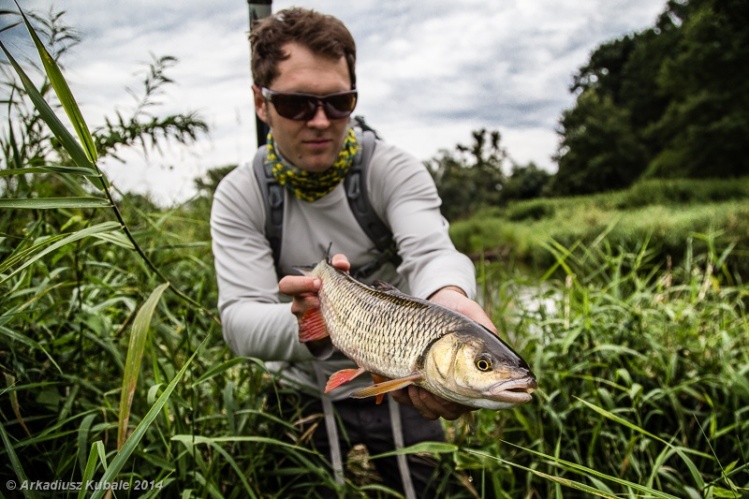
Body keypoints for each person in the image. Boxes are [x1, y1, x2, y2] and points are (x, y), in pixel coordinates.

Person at [210, 7, 498, 497]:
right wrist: (312, 324)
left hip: (405, 381)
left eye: (339, 101)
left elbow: (430, 252)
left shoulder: (391, 170)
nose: (321, 121)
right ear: (261, 103)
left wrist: (450, 301)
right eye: (298, 104)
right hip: (301, 387)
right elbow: (239, 319)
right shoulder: (241, 194)